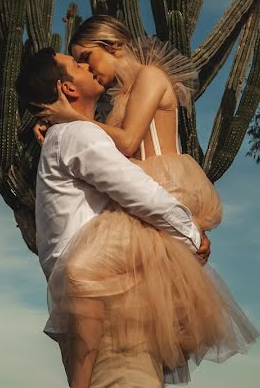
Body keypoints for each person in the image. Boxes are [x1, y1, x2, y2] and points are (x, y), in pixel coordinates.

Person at [35, 15, 258, 386]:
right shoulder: (119, 99)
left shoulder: (151, 76)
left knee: (83, 268)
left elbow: (126, 141)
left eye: (88, 57)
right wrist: (62, 132)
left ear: (113, 46)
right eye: (80, 63)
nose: (89, 68)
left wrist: (69, 117)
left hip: (166, 184)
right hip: (144, 191)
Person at [17, 48, 211, 388]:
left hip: (87, 309)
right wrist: (191, 234)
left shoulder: (63, 138)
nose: (86, 65)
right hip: (108, 308)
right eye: (76, 64)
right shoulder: (76, 135)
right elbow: (137, 191)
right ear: (68, 89)